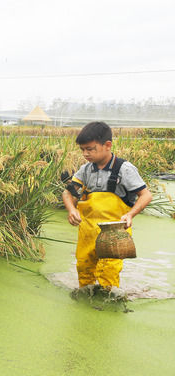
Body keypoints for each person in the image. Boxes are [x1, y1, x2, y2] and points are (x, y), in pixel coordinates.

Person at [62, 121, 152, 293]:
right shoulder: (85, 170)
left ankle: (107, 300)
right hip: (87, 231)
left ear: (107, 145)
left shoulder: (124, 169)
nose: (85, 154)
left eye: (90, 149)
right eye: (82, 150)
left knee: (108, 273)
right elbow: (68, 193)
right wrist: (72, 210)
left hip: (114, 233)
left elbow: (146, 195)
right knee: (84, 269)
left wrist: (130, 215)